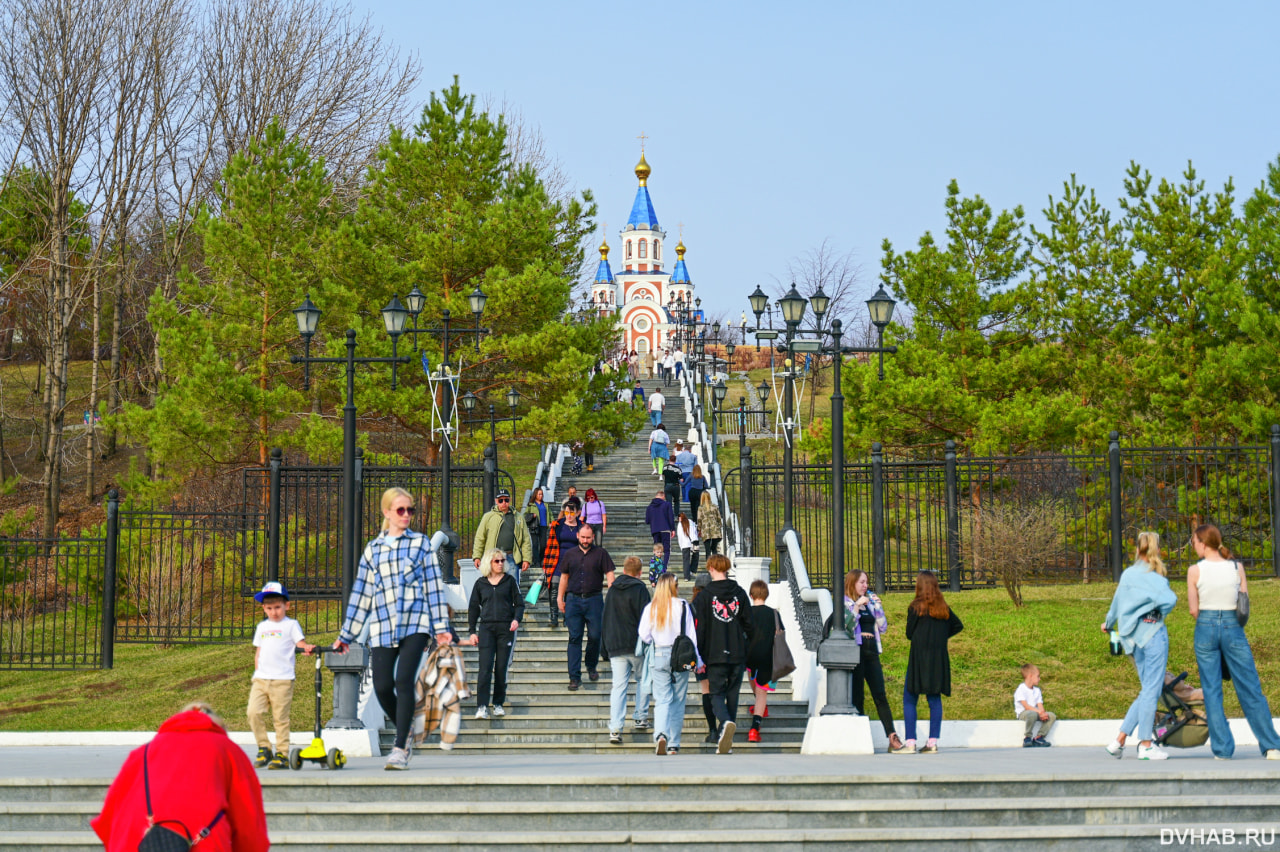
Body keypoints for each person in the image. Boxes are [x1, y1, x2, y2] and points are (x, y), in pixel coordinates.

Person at [334, 487, 452, 770]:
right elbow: (361, 593)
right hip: (383, 625)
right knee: (382, 685)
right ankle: (405, 727)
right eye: (401, 510)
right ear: (387, 512)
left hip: (416, 623)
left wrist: (440, 627)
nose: (407, 515)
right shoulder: (373, 550)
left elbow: (434, 588)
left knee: (403, 681)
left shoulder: (422, 545)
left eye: (410, 510)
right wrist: (346, 635)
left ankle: (400, 747)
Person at [91, 703, 269, 852]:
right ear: (219, 728)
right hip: (204, 843)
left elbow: (107, 818)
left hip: (139, 842)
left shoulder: (142, 752)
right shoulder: (228, 750)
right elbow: (249, 823)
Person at [1187, 523, 1280, 760]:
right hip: (1233, 625)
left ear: (1203, 543)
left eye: (1193, 543)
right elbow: (1244, 604)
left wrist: (1210, 621)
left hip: (1206, 625)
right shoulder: (1236, 567)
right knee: (1250, 687)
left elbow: (1193, 609)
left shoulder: (1194, 571)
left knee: (1212, 690)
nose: (1193, 547)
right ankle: (1271, 745)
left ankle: (1223, 749)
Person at [1102, 531, 1177, 760]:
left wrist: (1108, 622)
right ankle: (1145, 744)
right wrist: (1155, 613)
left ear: (1138, 548)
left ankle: (1119, 740)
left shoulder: (1128, 575)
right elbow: (1171, 600)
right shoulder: (1156, 578)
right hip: (1152, 635)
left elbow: (1116, 601)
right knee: (1151, 690)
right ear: (1156, 549)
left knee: (1147, 690)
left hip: (1131, 638)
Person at [246, 581, 315, 769]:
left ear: (287, 605)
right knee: (253, 712)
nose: (274, 611)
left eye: (277, 607)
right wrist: (257, 671)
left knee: (280, 719)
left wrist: (306, 647)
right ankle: (264, 747)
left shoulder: (291, 625)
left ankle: (282, 754)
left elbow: (300, 643)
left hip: (283, 679)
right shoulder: (262, 627)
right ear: (263, 608)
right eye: (269, 608)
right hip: (261, 678)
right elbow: (259, 651)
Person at [893, 571, 963, 755]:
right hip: (938, 660)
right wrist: (940, 637)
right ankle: (932, 742)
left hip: (918, 658)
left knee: (910, 698)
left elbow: (909, 633)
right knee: (934, 699)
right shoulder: (943, 608)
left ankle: (910, 743)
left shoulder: (915, 607)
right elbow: (958, 625)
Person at [692, 553, 755, 754]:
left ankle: (726, 723)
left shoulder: (703, 597)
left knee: (716, 693)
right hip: (737, 651)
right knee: (733, 693)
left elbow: (699, 630)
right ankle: (727, 732)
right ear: (726, 568)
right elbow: (750, 624)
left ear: (710, 568)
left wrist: (698, 656)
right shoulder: (740, 593)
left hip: (714, 653)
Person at [638, 573, 702, 755]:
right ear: (675, 587)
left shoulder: (651, 607)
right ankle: (674, 743)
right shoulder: (682, 605)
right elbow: (691, 635)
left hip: (659, 653)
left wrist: (654, 638)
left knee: (662, 698)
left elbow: (643, 634)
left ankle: (660, 735)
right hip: (680, 655)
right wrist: (698, 659)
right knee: (678, 699)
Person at [844, 569, 903, 752]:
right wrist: (856, 607)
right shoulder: (845, 602)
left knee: (880, 694)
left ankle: (892, 736)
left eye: (866, 582)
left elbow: (883, 627)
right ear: (853, 583)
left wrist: (877, 607)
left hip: (872, 651)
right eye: (862, 582)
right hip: (857, 651)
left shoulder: (869, 603)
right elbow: (847, 627)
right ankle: (859, 739)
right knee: (858, 695)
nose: (865, 585)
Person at [558, 523, 616, 690]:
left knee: (596, 636)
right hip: (574, 601)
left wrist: (612, 592)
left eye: (588, 538)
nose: (585, 540)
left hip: (594, 600)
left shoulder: (601, 553)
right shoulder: (570, 554)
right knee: (574, 638)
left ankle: (591, 666)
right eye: (582, 537)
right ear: (577, 536)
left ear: (593, 537)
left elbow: (610, 574)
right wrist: (560, 599)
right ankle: (574, 677)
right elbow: (564, 577)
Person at [467, 548, 523, 720]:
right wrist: (472, 631)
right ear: (489, 563)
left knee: (501, 668)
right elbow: (473, 608)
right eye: (496, 561)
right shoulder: (480, 584)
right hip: (486, 629)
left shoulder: (510, 581)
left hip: (505, 629)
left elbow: (519, 604)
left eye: (502, 561)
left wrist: (516, 619)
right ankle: (482, 706)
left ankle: (498, 703)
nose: (500, 564)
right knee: (485, 669)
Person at [602, 555, 653, 743]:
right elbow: (646, 618)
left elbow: (606, 617)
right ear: (640, 573)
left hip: (616, 643)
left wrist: (604, 646)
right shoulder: (641, 589)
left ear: (623, 571)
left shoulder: (613, 590)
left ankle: (615, 728)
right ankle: (640, 716)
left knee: (619, 686)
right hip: (637, 644)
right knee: (642, 680)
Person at [472, 489, 531, 588]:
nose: (504, 503)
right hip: (493, 558)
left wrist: (526, 559)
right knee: (492, 586)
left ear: (510, 500)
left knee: (513, 587)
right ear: (496, 501)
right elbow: (480, 538)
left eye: (506, 500)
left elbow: (525, 540)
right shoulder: (488, 517)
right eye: (501, 500)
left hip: (511, 557)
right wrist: (477, 556)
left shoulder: (518, 517)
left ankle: (513, 604)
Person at [542, 501, 584, 629]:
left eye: (572, 513)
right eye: (566, 512)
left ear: (577, 513)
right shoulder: (558, 525)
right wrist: (546, 563)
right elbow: (550, 544)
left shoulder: (581, 526)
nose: (569, 515)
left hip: (575, 561)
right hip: (557, 559)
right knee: (554, 586)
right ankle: (554, 617)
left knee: (569, 589)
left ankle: (567, 617)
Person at [744, 580, 776, 743]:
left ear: (751, 595)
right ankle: (754, 729)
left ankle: (758, 707)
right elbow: (780, 632)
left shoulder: (747, 612)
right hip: (767, 656)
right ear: (766, 594)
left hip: (749, 656)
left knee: (752, 679)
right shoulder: (773, 613)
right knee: (762, 691)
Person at [1014, 664, 1056, 748]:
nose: (1039, 679)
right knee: (1031, 714)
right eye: (1038, 676)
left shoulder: (1037, 690)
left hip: (1036, 712)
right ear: (1030, 676)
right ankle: (1028, 737)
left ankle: (1039, 737)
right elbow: (1026, 706)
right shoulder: (1021, 689)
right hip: (1024, 713)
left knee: (1051, 716)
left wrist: (1043, 713)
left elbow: (1040, 704)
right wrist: (1039, 712)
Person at [645, 489, 676, 572]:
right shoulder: (667, 504)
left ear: (656, 496)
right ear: (663, 496)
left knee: (657, 549)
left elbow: (647, 520)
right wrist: (673, 529)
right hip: (665, 529)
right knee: (666, 550)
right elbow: (670, 517)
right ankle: (664, 567)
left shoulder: (649, 507)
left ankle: (656, 566)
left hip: (655, 530)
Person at [524, 487, 550, 578]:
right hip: (534, 527)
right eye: (539, 494)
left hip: (543, 526)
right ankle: (536, 562)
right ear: (535, 494)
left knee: (543, 545)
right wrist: (532, 515)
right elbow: (525, 515)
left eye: (542, 494)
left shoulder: (545, 505)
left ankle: (541, 559)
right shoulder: (531, 505)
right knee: (535, 544)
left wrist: (551, 522)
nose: (541, 495)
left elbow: (549, 514)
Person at [699, 492, 723, 559]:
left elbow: (699, 520)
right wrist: (720, 525)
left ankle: (709, 566)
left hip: (705, 530)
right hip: (715, 529)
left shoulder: (701, 508)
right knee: (714, 548)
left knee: (707, 550)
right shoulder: (715, 506)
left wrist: (699, 529)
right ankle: (715, 564)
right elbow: (719, 518)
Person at [677, 512, 700, 580]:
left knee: (686, 560)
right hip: (694, 541)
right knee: (695, 556)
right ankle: (692, 570)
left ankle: (686, 577)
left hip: (685, 544)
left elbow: (680, 536)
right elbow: (695, 532)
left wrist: (681, 546)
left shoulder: (680, 524)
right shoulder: (691, 522)